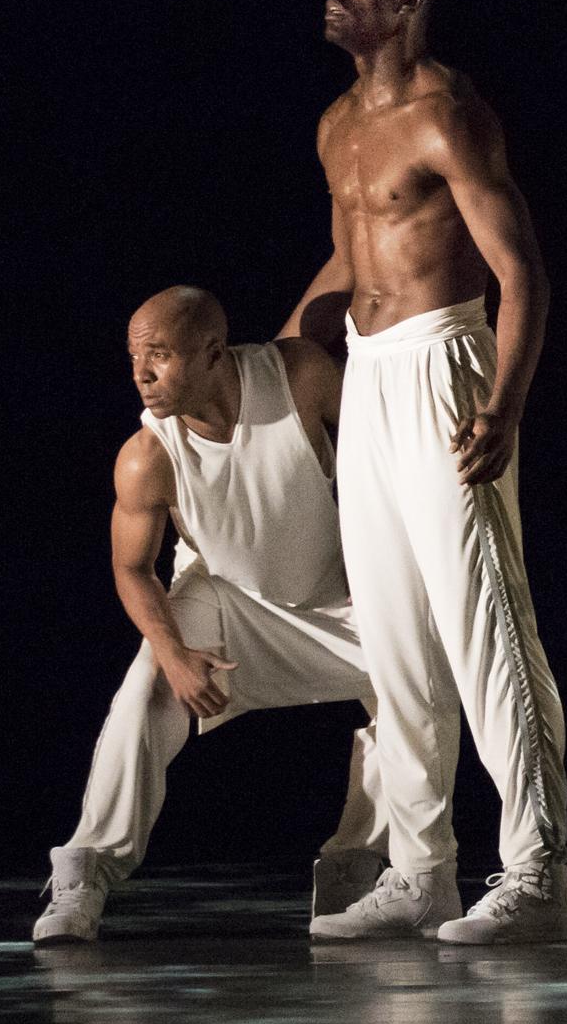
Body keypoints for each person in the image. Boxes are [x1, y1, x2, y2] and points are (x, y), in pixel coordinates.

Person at [287, 0, 567, 945]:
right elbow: (348, 252)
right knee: (395, 630)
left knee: (485, 621)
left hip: (448, 367)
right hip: (370, 373)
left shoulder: (449, 115)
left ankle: (539, 874)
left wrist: (504, 404)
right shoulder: (334, 125)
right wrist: (293, 340)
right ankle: (421, 868)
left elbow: (522, 272)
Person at [33, 288, 393, 944]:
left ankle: (352, 865)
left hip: (342, 595)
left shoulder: (299, 375)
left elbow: (389, 452)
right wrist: (173, 654)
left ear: (212, 354)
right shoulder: (148, 456)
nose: (141, 374)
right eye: (134, 356)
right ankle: (85, 871)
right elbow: (131, 568)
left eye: (160, 356)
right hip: (227, 604)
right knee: (146, 692)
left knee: (419, 692)